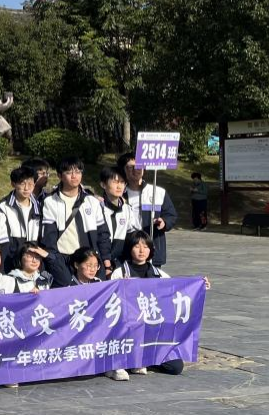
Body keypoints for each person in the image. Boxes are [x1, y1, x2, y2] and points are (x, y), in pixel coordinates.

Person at [109, 231, 211, 376]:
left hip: (155, 333)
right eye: (137, 246)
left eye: (145, 246)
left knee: (175, 367)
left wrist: (200, 286)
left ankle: (146, 359)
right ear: (129, 249)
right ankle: (134, 359)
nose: (141, 250)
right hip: (130, 332)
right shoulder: (119, 273)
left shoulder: (160, 275)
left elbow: (177, 291)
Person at [40, 157, 110, 287]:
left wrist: (107, 263)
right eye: (69, 172)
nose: (74, 176)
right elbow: (49, 239)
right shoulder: (50, 202)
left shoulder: (92, 201)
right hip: (64, 261)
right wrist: (56, 262)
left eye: (78, 172)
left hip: (89, 261)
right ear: (60, 175)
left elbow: (103, 235)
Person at [119, 152, 177, 267]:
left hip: (152, 248)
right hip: (126, 250)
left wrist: (164, 222)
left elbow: (171, 215)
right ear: (123, 170)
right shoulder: (118, 193)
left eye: (138, 166)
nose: (135, 170)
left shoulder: (158, 192)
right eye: (130, 167)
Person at [98, 166, 139, 274]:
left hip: (119, 263)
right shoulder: (97, 208)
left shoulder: (127, 209)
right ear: (103, 184)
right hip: (98, 262)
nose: (119, 186)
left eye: (122, 182)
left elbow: (133, 234)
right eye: (115, 182)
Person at [0, 166, 42, 271]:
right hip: (10, 259)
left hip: (34, 260)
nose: (26, 188)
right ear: (13, 184)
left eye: (30, 184)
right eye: (22, 184)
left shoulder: (40, 206)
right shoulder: (3, 206)